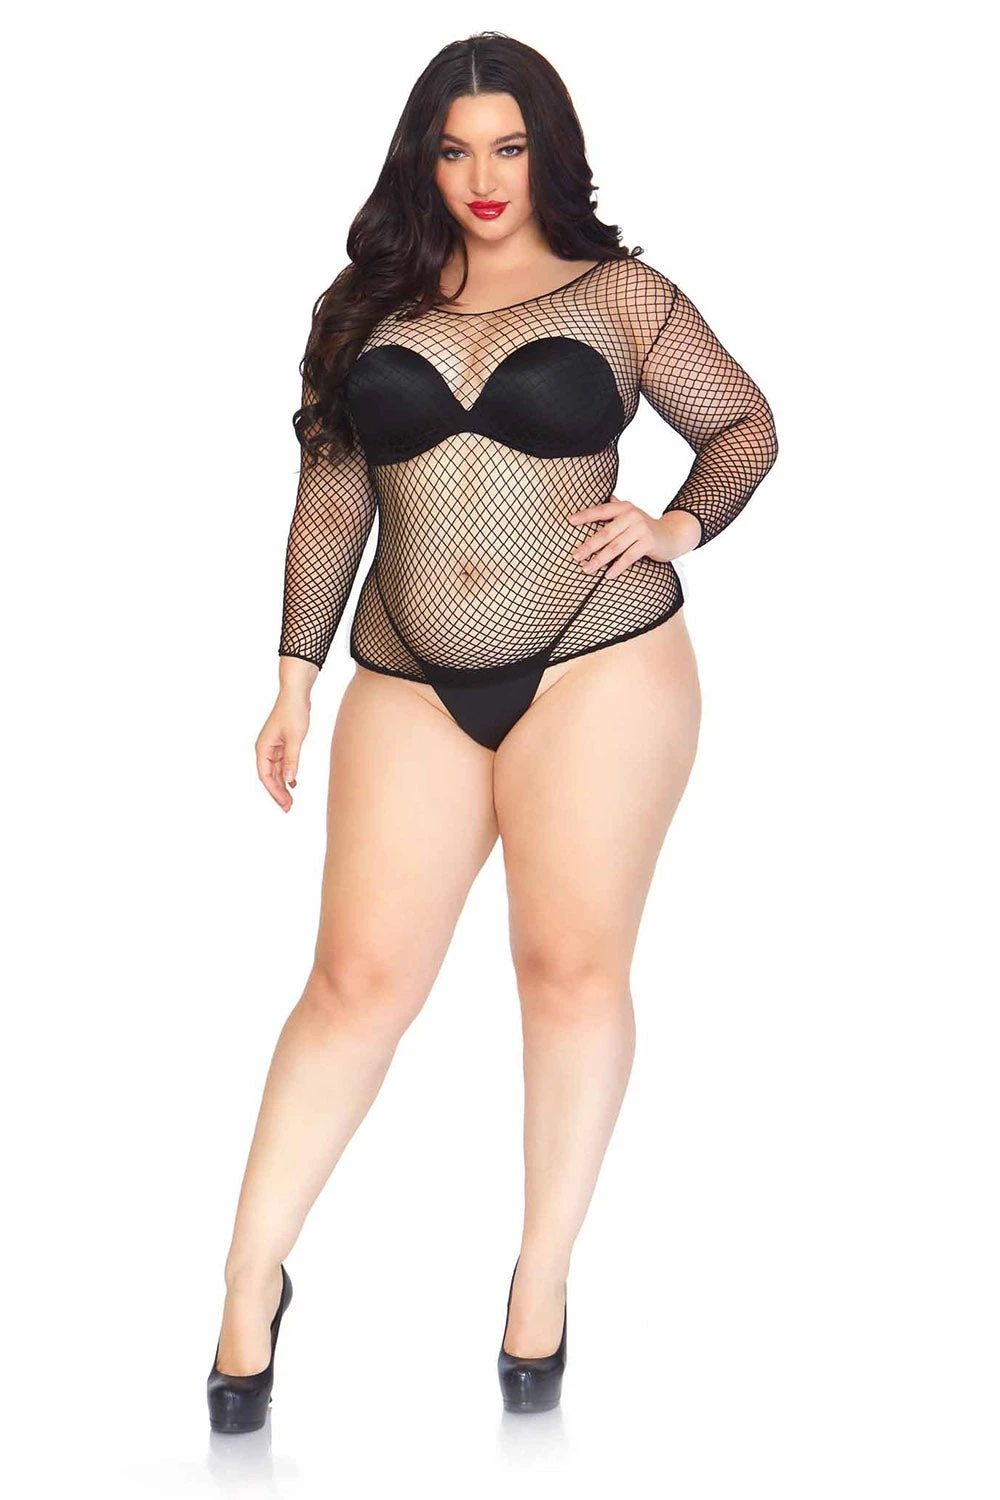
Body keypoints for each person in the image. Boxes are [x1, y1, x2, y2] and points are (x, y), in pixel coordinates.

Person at [207, 30, 778, 1429]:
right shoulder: (366, 307)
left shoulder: (621, 293)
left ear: (547, 155)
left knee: (566, 970)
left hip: (600, 660)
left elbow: (745, 427)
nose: (483, 176)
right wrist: (293, 680)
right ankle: (246, 1284)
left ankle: (540, 1282)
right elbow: (333, 496)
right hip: (409, 677)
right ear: (424, 160)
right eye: (457, 149)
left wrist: (674, 526)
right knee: (355, 985)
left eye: (509, 147)